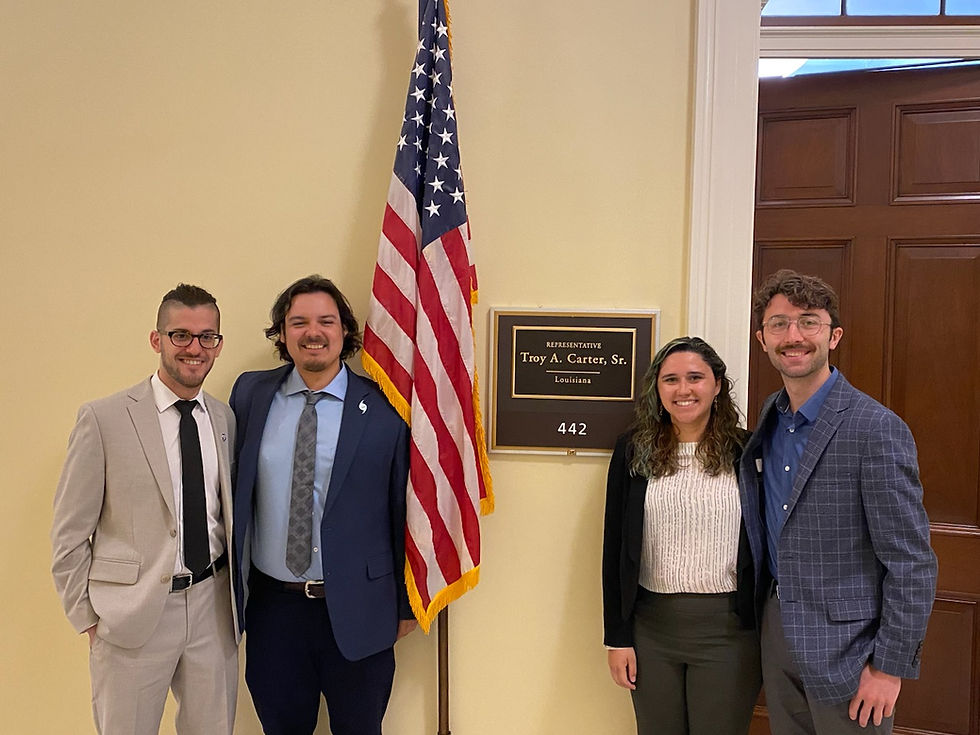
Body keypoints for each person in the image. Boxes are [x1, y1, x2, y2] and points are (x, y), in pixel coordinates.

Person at [739, 269, 937, 734]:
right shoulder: (771, 415)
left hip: (851, 650)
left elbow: (912, 562)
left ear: (834, 335)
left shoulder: (876, 429)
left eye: (809, 321)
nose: (794, 336)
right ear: (761, 339)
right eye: (779, 324)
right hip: (776, 628)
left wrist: (889, 668)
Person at [230, 274, 417, 735]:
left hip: (360, 610)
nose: (313, 332)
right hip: (275, 611)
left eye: (326, 321)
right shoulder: (250, 395)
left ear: (346, 331)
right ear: (282, 334)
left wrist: (407, 604)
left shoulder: (386, 406)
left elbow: (402, 509)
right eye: (299, 322)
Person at [51, 284, 238, 735]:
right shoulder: (105, 418)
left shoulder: (223, 418)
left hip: (213, 608)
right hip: (132, 619)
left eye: (206, 336)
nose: (195, 348)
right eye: (181, 335)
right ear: (157, 340)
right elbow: (69, 534)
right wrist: (91, 620)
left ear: (217, 344)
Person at [602, 336, 761, 735]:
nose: (683, 389)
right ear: (657, 388)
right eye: (670, 379)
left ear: (717, 385)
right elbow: (615, 548)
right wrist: (616, 638)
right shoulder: (632, 450)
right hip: (651, 630)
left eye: (695, 377)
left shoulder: (748, 452)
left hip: (730, 633)